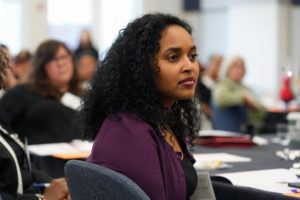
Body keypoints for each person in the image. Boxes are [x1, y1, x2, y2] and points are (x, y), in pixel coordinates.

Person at [79, 13, 201, 200]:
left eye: (192, 56)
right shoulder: (128, 131)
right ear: (141, 67)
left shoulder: (165, 118)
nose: (189, 66)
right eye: (173, 57)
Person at [0, 46, 70, 200]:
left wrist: (55, 185)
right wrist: (44, 199)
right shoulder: (20, 95)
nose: (62, 64)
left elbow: (24, 166)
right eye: (56, 59)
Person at [0, 40, 83, 144]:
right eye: (53, 59)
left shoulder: (84, 95)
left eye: (64, 57)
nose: (61, 63)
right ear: (41, 65)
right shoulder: (22, 93)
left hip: (81, 156)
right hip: (36, 158)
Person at [212, 56, 266, 132]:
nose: (239, 70)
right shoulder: (223, 83)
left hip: (248, 130)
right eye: (236, 66)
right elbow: (220, 99)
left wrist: (255, 107)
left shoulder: (246, 88)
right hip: (228, 131)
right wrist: (243, 98)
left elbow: (262, 108)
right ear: (228, 69)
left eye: (242, 67)